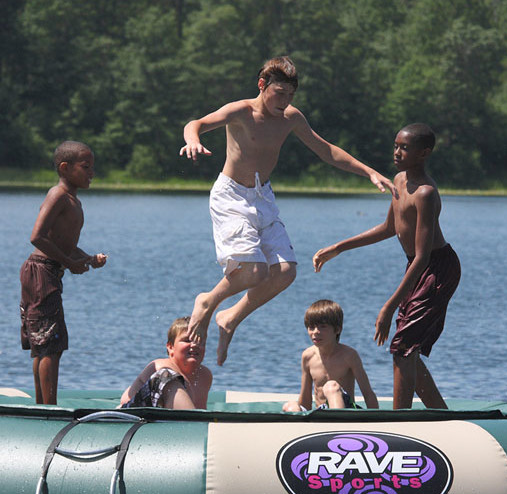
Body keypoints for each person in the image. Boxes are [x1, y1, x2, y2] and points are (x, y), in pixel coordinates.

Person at [179, 56, 395, 366]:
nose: (285, 101)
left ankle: (229, 318)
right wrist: (193, 140)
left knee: (285, 272)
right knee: (254, 271)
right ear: (262, 85)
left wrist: (369, 172)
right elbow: (196, 123)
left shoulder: (291, 118)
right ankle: (208, 302)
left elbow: (327, 150)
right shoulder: (240, 111)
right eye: (280, 93)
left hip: (262, 197)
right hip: (232, 197)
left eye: (291, 95)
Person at [313, 123, 460, 410]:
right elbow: (389, 227)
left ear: (424, 153)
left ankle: (399, 418)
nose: (397, 152)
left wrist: (389, 306)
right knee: (407, 350)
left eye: (404, 148)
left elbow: (423, 256)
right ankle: (440, 414)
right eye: (396, 145)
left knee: (403, 347)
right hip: (418, 267)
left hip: (436, 268)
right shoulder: (398, 180)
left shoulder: (426, 193)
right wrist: (338, 248)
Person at [20, 141, 107, 405]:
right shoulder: (57, 195)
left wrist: (87, 259)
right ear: (65, 168)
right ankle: (48, 408)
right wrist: (69, 263)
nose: (91, 172)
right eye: (85, 167)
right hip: (41, 273)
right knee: (49, 346)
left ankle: (42, 406)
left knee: (44, 345)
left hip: (47, 272)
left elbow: (63, 245)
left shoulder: (73, 200)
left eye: (92, 166)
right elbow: (37, 236)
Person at [282, 300, 379, 411]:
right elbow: (305, 397)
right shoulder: (307, 356)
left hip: (346, 410)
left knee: (331, 386)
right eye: (311, 327)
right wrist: (302, 413)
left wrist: (377, 418)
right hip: (321, 411)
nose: (315, 332)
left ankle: (337, 420)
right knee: (290, 405)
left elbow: (368, 393)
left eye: (322, 327)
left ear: (337, 329)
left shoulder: (349, 355)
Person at [120, 317, 213, 409]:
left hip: (178, 418)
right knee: (166, 374)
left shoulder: (205, 375)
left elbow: (201, 408)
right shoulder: (159, 366)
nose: (194, 345)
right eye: (187, 340)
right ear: (170, 347)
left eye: (200, 341)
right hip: (133, 412)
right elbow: (126, 400)